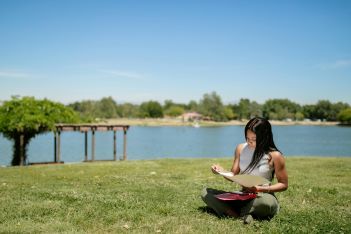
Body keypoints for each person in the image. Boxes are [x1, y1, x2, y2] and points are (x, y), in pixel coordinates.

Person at [201, 117, 288, 224]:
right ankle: (243, 214)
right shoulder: (241, 148)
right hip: (242, 195)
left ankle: (236, 212)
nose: (249, 142)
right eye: (247, 138)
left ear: (265, 137)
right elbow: (233, 175)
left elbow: (283, 184)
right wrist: (221, 171)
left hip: (263, 195)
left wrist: (259, 189)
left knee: (266, 203)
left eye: (254, 139)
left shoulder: (275, 155)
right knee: (205, 193)